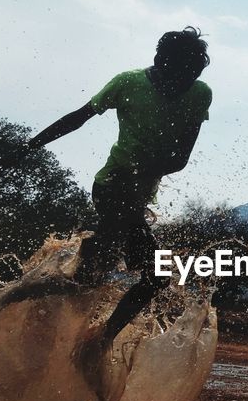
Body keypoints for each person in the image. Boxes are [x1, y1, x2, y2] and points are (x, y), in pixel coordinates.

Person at [25, 26, 212, 346]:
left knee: (93, 277)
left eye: (188, 77)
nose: (180, 84)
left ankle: (26, 302)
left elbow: (180, 159)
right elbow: (79, 117)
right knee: (149, 277)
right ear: (159, 61)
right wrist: (30, 146)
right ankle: (93, 340)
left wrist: (146, 171)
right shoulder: (128, 83)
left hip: (136, 196)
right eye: (176, 75)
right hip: (113, 185)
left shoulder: (199, 93)